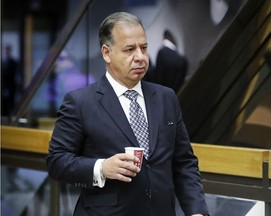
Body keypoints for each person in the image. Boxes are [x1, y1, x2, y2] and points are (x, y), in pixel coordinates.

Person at [47, 12, 209, 216]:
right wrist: (102, 167)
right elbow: (57, 161)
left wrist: (197, 211)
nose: (140, 57)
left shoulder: (166, 98)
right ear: (107, 53)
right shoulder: (80, 102)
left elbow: (184, 163)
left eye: (144, 47)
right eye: (129, 50)